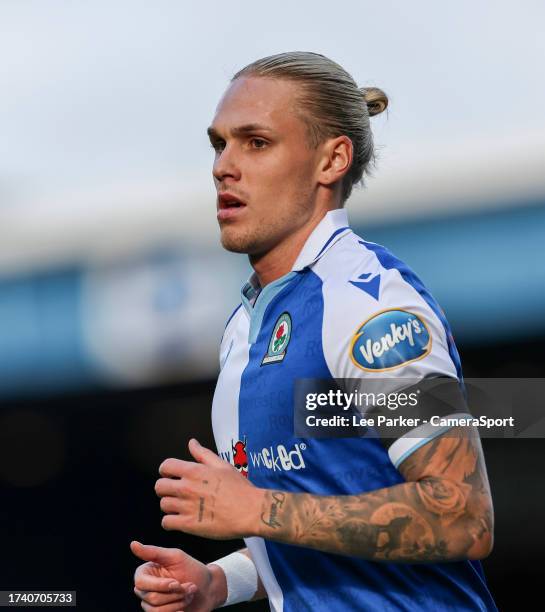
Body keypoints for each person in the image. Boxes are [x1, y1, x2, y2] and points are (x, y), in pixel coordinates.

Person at [131, 51, 497, 611]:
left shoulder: (370, 308)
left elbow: (461, 515)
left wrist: (256, 509)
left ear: (332, 160)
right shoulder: (244, 327)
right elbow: (319, 511)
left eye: (256, 142)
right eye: (219, 143)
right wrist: (221, 581)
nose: (223, 165)